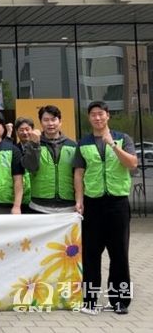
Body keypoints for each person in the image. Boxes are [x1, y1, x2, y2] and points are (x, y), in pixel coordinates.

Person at [74, 101, 137, 315]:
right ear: (89, 117)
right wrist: (79, 200)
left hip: (118, 204)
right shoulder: (83, 143)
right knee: (91, 255)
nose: (97, 118)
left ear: (108, 115)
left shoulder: (123, 138)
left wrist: (113, 145)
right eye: (93, 114)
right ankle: (90, 301)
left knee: (119, 254)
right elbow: (79, 173)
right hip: (93, 204)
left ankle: (120, 301)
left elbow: (132, 164)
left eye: (101, 114)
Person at [22, 105, 78, 214]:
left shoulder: (73, 146)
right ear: (41, 122)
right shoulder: (32, 144)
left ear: (60, 121)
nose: (50, 123)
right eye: (46, 120)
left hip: (68, 207)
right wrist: (34, 145)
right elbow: (30, 167)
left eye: (53, 119)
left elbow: (79, 175)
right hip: (39, 206)